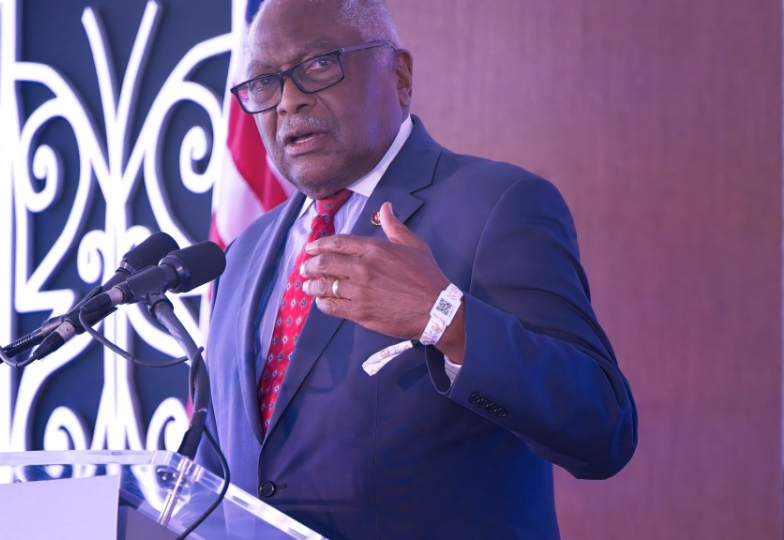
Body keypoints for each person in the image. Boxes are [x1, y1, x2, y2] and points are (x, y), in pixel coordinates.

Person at [200, 0, 637, 538]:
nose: (289, 99)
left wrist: (446, 319)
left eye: (318, 64)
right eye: (264, 82)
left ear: (400, 75)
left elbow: (602, 430)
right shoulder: (240, 255)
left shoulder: (498, 206)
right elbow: (216, 474)